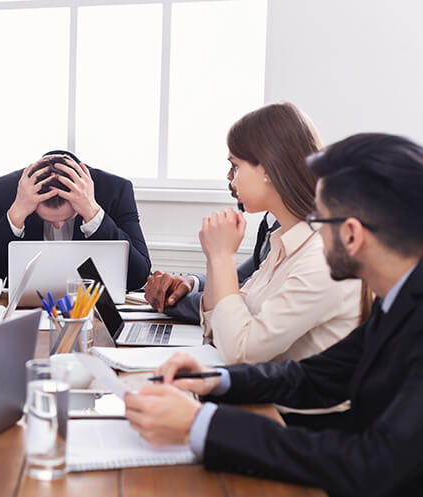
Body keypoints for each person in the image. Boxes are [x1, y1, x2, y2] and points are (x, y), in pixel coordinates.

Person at [124, 132, 423, 497]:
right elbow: (313, 377)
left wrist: (201, 422)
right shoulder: (401, 299)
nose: (315, 234)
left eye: (320, 221)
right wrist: (214, 380)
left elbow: (372, 465)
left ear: (351, 235)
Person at [158, 103, 363, 365]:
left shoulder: (321, 258)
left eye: (236, 166)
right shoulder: (282, 242)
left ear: (267, 168)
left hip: (282, 405)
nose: (231, 180)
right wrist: (214, 256)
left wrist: (222, 257)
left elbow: (238, 352)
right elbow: (217, 331)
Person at [0, 150, 151, 291]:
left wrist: (93, 213)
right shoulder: (5, 191)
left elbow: (138, 277)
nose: (58, 225)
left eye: (66, 218)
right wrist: (17, 213)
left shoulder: (115, 190)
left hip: (94, 313)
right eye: (47, 218)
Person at [145, 164, 279, 324]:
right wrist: (190, 282)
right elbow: (240, 278)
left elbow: (238, 302)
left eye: (236, 166)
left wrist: (167, 298)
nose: (230, 177)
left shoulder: (291, 234)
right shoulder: (271, 221)